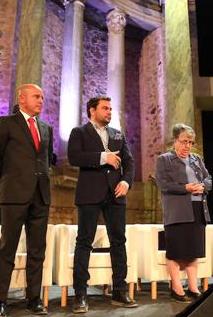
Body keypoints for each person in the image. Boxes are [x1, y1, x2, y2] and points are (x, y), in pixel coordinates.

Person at [0, 84, 53, 316]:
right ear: (22, 98)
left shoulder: (45, 128)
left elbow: (45, 160)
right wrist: (2, 185)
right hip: (14, 194)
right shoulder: (6, 124)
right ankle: (0, 300)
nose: (41, 101)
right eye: (36, 96)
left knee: (37, 250)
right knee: (8, 248)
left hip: (40, 196)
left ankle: (33, 298)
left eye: (42, 97)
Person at [67, 95, 137, 313]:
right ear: (92, 110)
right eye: (105, 108)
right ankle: (80, 293)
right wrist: (102, 157)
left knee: (118, 241)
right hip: (90, 194)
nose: (109, 112)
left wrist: (126, 181)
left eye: (110, 109)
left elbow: (129, 162)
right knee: (84, 242)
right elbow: (74, 157)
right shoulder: (79, 132)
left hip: (116, 195)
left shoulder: (118, 134)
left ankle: (119, 290)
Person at [155, 124, 212, 303]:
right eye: (184, 141)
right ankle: (177, 287)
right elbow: (163, 185)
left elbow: (208, 179)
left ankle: (193, 287)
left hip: (197, 209)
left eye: (190, 142)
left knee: (193, 250)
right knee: (176, 251)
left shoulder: (196, 159)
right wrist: (185, 188)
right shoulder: (164, 160)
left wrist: (203, 186)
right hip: (177, 211)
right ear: (175, 141)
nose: (187, 146)